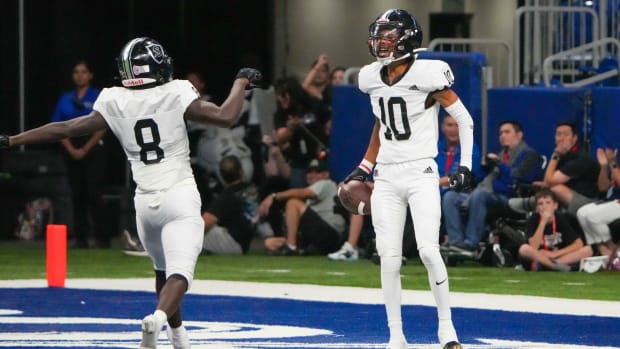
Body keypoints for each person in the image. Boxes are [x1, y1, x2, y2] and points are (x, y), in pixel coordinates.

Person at [0, 37, 261, 349]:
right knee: (180, 274)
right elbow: (226, 116)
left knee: (163, 271)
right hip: (178, 195)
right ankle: (158, 318)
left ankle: (178, 337)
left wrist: (13, 140)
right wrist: (241, 81)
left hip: (145, 205)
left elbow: (65, 129)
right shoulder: (175, 91)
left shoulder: (114, 99)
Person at [343, 9, 473, 349]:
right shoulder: (371, 76)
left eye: (388, 34)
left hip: (421, 172)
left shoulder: (428, 73)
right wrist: (365, 166)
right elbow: (381, 126)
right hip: (386, 177)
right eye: (380, 34)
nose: (381, 41)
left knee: (429, 250)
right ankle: (395, 336)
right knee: (388, 257)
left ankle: (447, 329)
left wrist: (465, 164)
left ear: (406, 38)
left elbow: (464, 120)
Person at [442, 120, 543, 254]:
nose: (502, 135)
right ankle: (456, 242)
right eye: (500, 133)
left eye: (507, 132)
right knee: (450, 196)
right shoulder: (501, 154)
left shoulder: (529, 155)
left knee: (480, 195)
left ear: (519, 135)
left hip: (510, 198)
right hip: (488, 195)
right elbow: (478, 180)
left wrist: (499, 164)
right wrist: (484, 167)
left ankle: (471, 243)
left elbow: (517, 179)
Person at [51, 60, 108, 248]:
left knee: (94, 192)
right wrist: (72, 149)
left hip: (93, 146)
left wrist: (85, 148)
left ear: (90, 75)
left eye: (84, 72)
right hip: (71, 146)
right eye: (76, 72)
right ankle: (81, 238)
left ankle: (102, 237)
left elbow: (104, 124)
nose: (80, 75)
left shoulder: (98, 95)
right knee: (77, 194)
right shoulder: (65, 97)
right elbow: (58, 125)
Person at [509, 122, 600, 217]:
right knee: (544, 186)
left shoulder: (580, 158)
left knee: (556, 189)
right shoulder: (563, 155)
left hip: (588, 202)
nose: (561, 139)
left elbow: (551, 181)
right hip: (570, 196)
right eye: (558, 134)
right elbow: (547, 181)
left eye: (566, 135)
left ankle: (531, 204)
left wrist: (555, 155)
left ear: (574, 138)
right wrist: (546, 183)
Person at [259, 157, 346, 256]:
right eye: (310, 172)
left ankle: (291, 247)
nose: (313, 175)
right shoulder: (310, 196)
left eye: (317, 172)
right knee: (269, 243)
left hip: (330, 234)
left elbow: (303, 193)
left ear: (326, 174)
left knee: (293, 203)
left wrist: (274, 196)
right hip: (315, 236)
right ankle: (297, 247)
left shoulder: (326, 183)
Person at [273, 76, 330, 188]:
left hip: (321, 157)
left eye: (285, 95)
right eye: (279, 95)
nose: (281, 99)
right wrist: (291, 127)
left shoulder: (314, 104)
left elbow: (329, 123)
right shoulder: (281, 114)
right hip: (299, 162)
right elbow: (281, 137)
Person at [202, 155, 259, 255]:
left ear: (222, 175)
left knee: (195, 230)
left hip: (234, 244)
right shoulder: (252, 188)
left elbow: (205, 222)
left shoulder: (226, 196)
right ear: (241, 171)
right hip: (248, 240)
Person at [517, 189, 584, 271]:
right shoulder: (533, 220)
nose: (544, 206)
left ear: (555, 206)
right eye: (540, 204)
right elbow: (533, 247)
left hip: (556, 256)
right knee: (524, 249)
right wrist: (543, 222)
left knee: (588, 250)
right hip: (537, 256)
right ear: (537, 208)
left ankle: (550, 265)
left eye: (548, 203)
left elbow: (578, 244)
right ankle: (553, 266)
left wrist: (554, 254)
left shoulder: (561, 218)